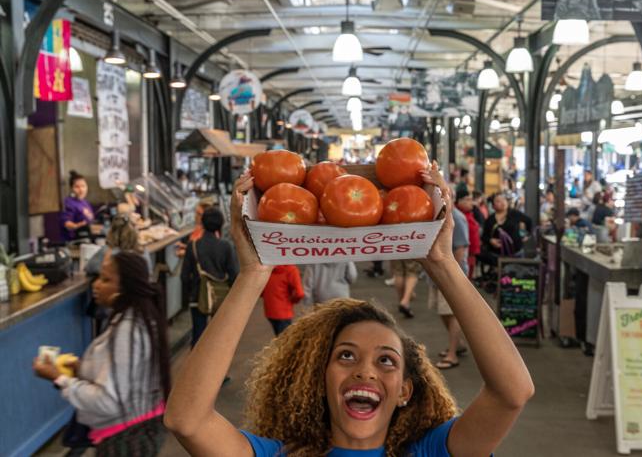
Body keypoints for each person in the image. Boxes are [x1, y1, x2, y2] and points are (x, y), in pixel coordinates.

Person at [164, 165, 534, 456]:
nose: (365, 371)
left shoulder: (430, 451)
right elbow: (187, 420)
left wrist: (442, 263)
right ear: (318, 379)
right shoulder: (279, 454)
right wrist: (252, 274)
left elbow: (511, 393)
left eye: (386, 360)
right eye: (345, 355)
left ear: (405, 390)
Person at [33, 252, 170, 455]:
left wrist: (59, 378)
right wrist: (81, 368)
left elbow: (107, 401)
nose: (96, 285)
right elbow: (123, 375)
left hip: (125, 439)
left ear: (125, 289)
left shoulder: (127, 331)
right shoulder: (135, 320)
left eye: (106, 280)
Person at [181, 207, 239, 347]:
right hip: (219, 297)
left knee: (198, 335)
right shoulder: (226, 246)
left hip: (197, 297)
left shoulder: (193, 246)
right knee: (217, 335)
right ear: (221, 224)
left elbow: (184, 275)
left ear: (203, 224)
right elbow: (234, 274)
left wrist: (188, 296)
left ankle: (195, 366)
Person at [430, 207, 469, 370]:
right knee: (443, 312)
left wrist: (451, 273)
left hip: (449, 275)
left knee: (452, 314)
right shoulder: (436, 213)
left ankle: (452, 354)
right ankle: (458, 345)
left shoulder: (456, 218)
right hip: (436, 274)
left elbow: (461, 248)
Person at [85, 214, 151, 277]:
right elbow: (149, 272)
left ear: (111, 232)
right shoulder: (142, 251)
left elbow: (89, 268)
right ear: (135, 233)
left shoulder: (107, 252)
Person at [261, 265, 305, 336]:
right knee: (285, 342)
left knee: (278, 338)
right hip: (284, 312)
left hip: (269, 310)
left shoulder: (267, 267)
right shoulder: (291, 269)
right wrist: (292, 301)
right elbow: (299, 293)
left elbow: (261, 291)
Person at [61, 170, 96, 242]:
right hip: (73, 242)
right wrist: (78, 225)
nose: (81, 190)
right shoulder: (68, 203)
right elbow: (67, 224)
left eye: (83, 186)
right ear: (71, 188)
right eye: (77, 187)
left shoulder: (86, 203)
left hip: (87, 240)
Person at [456, 190, 481, 279]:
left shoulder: (469, 214)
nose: (472, 203)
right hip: (462, 254)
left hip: (471, 253)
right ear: (458, 201)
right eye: (468, 200)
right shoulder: (457, 216)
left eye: (471, 199)